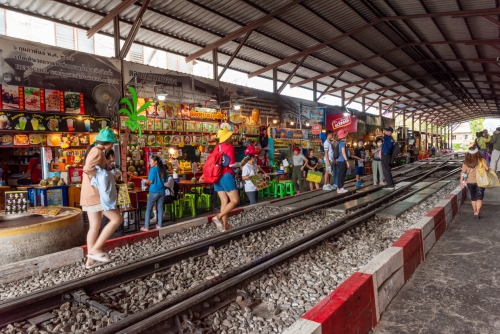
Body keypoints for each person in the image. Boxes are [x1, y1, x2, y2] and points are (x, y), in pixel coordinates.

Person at [80, 128, 123, 269]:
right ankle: (96, 249)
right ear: (107, 142)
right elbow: (87, 169)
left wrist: (105, 173)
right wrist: (100, 177)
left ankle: (90, 261)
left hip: (88, 194)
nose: (112, 146)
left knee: (94, 227)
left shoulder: (94, 150)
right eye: (112, 143)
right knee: (117, 219)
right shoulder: (97, 152)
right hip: (96, 194)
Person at [211, 123, 244, 232]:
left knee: (224, 201)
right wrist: (241, 163)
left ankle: (225, 226)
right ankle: (218, 217)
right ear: (227, 137)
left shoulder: (217, 147)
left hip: (217, 176)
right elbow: (231, 164)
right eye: (230, 136)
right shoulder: (229, 147)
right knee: (235, 200)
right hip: (226, 175)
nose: (232, 138)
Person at [460, 145, 489, 219]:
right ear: (477, 152)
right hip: (481, 181)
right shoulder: (481, 160)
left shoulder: (466, 162)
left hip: (470, 181)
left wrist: (461, 181)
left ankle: (474, 211)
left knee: (473, 197)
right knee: (479, 197)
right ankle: (477, 212)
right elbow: (487, 169)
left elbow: (463, 172)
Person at [140, 155, 168, 231]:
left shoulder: (153, 170)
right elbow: (166, 180)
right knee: (160, 208)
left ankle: (146, 226)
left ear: (155, 162)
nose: (149, 163)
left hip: (154, 191)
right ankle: (159, 225)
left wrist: (145, 181)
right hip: (162, 191)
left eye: (151, 161)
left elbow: (151, 181)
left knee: (148, 209)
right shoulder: (163, 169)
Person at [336, 129, 349, 194]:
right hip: (342, 161)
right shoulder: (342, 143)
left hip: (339, 160)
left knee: (341, 174)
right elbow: (343, 153)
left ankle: (340, 187)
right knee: (341, 174)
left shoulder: (339, 142)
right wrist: (347, 161)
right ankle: (340, 188)